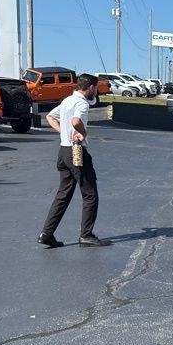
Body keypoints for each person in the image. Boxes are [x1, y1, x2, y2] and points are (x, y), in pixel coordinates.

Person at [37, 73, 111, 248]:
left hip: (63, 151)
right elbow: (76, 121)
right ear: (91, 87)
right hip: (76, 151)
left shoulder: (67, 100)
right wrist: (81, 133)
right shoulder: (81, 103)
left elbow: (49, 117)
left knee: (63, 195)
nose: (96, 92)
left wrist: (64, 132)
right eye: (96, 88)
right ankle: (86, 235)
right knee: (90, 194)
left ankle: (46, 234)